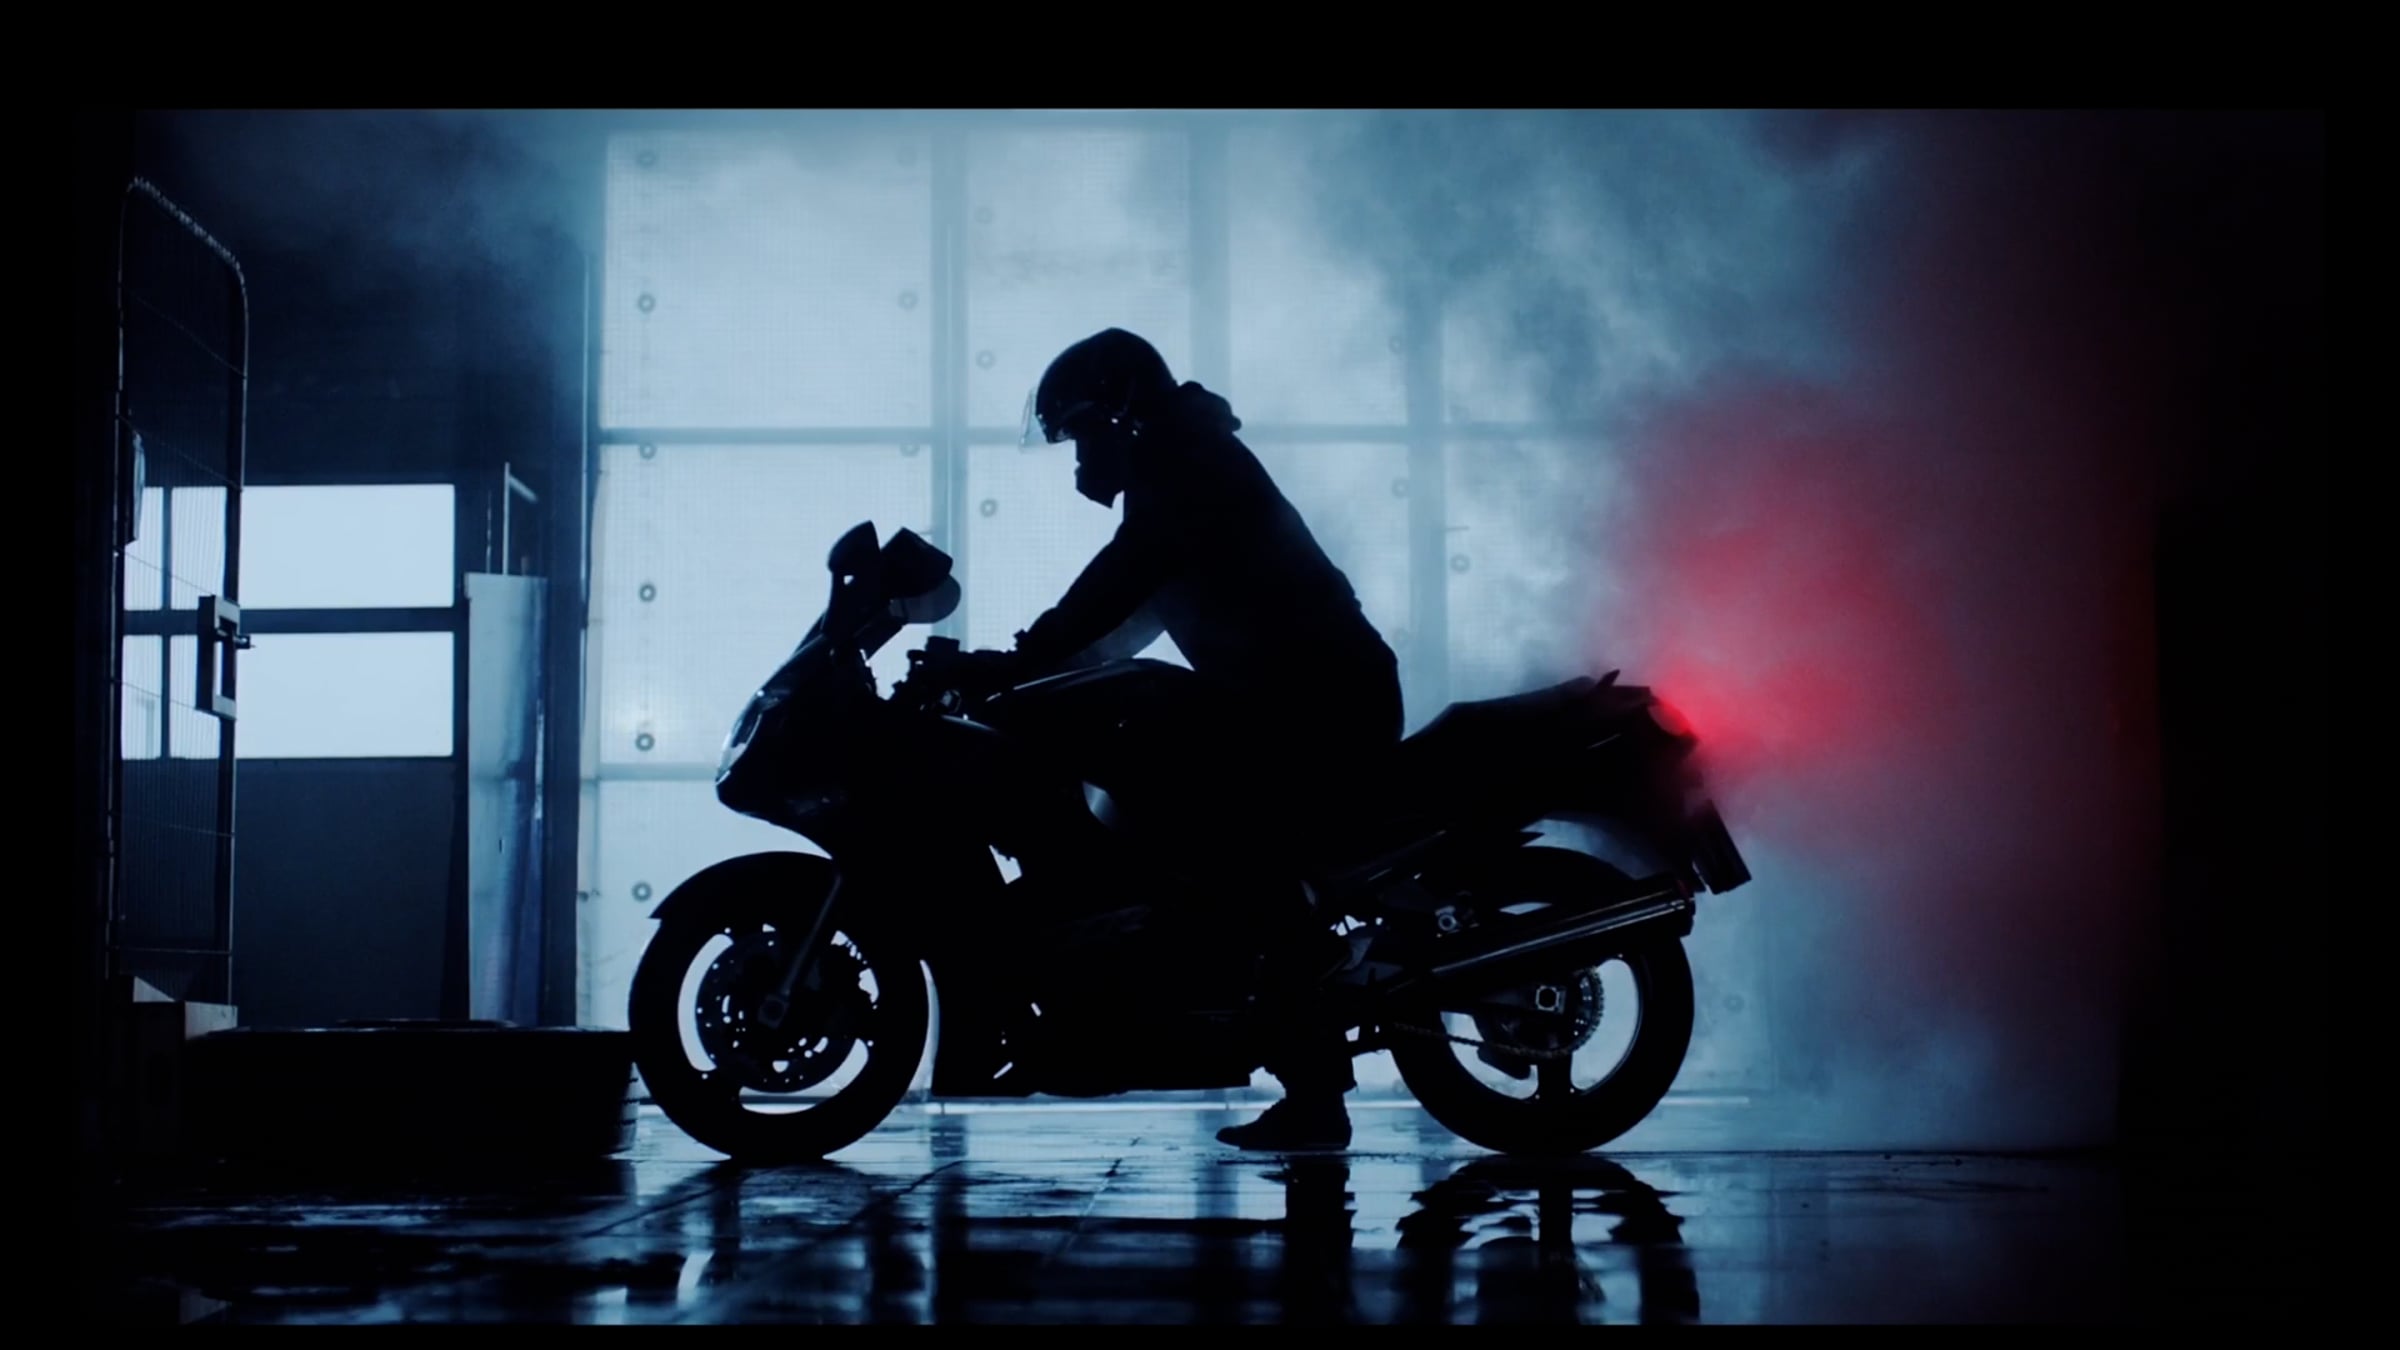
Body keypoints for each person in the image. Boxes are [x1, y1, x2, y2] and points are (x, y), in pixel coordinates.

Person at [986, 327, 1403, 1151]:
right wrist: (1029, 671)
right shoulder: (1179, 467)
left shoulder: (1182, 468)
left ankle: (1315, 1092)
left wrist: (1019, 659)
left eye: (1082, 434)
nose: (1079, 457)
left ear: (1122, 413)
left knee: (1229, 856)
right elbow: (1128, 621)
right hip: (1297, 698)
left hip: (1319, 705)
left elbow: (1119, 580)